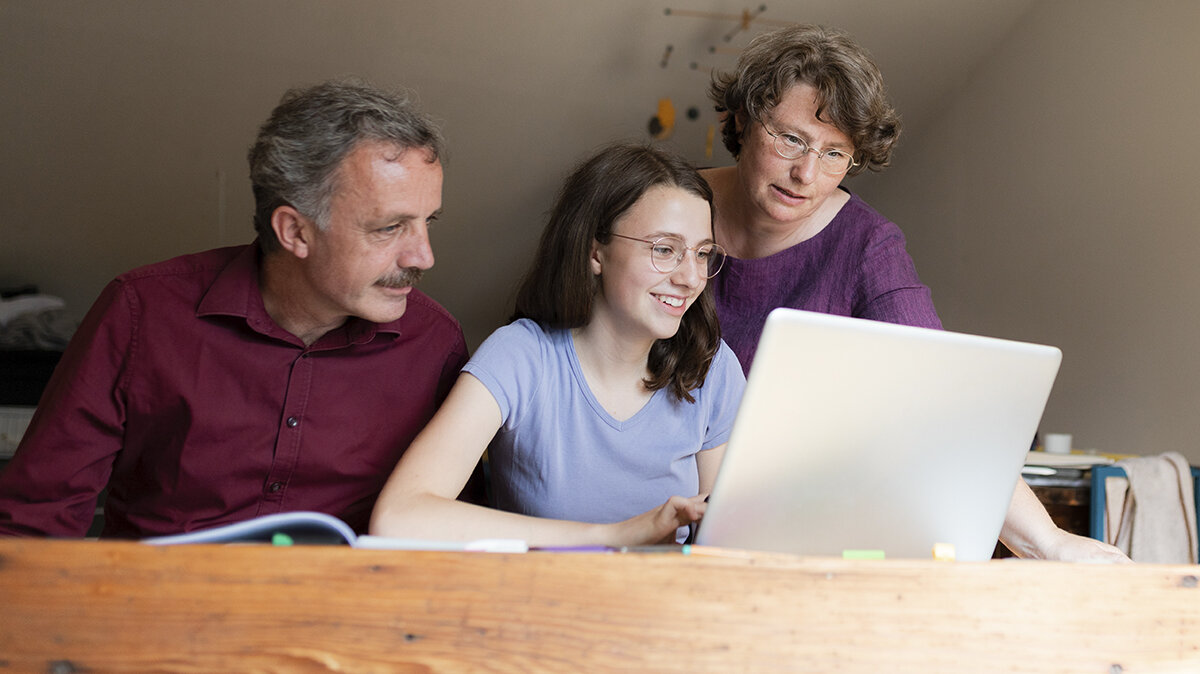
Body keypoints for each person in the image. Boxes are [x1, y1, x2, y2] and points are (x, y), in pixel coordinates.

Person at [702, 24, 1128, 563]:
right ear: (742, 120)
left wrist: (1048, 542)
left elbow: (939, 407)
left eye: (836, 154)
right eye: (790, 139)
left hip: (789, 527)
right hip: (649, 508)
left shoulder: (867, 246)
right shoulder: (665, 208)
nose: (806, 173)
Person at [0, 80, 471, 538]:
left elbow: (456, 533)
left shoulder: (435, 344)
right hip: (156, 605)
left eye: (427, 222)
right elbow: (35, 520)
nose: (423, 257)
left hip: (342, 611)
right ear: (294, 232)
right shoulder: (141, 312)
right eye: (390, 228)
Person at [370, 143, 746, 547]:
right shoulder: (520, 356)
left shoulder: (713, 365)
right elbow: (399, 517)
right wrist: (610, 536)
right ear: (595, 251)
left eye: (703, 254)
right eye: (665, 250)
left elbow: (732, 537)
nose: (691, 278)